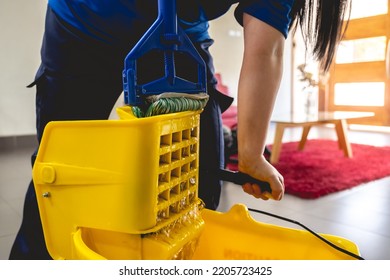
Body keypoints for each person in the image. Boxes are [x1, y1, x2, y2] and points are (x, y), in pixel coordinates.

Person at [9, 0, 351, 259]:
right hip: (87, 19)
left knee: (196, 185)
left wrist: (250, 154)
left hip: (181, 35)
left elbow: (267, 49)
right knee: (60, 179)